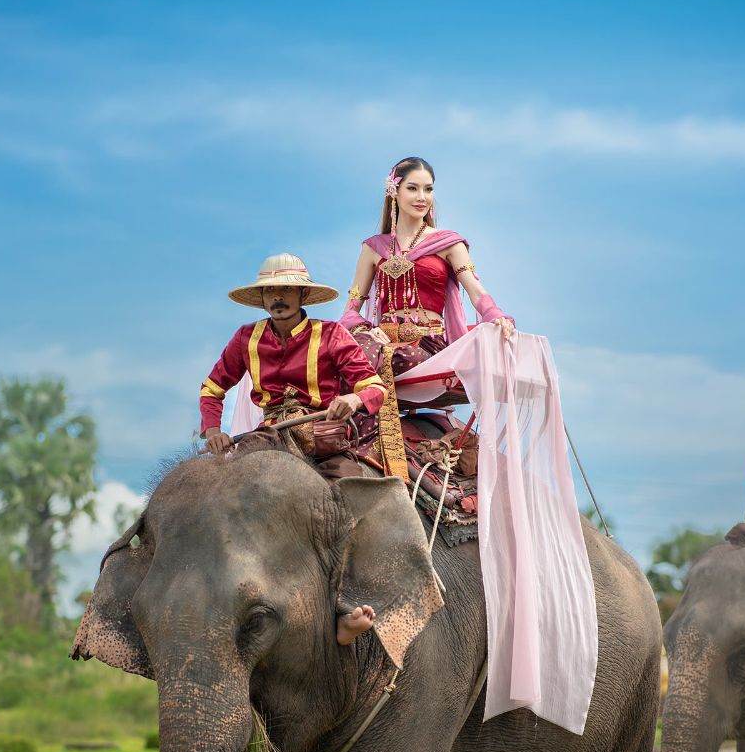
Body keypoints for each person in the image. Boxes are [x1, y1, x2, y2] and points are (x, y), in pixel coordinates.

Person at [199, 252, 385, 642]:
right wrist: (212, 429)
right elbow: (213, 389)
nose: (277, 297)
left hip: (321, 440)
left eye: (285, 289)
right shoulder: (245, 339)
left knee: (350, 500)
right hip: (270, 438)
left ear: (302, 294)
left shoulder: (332, 335)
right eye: (270, 291)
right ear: (262, 298)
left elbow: (373, 387)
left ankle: (345, 605)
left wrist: (351, 401)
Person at [338, 156, 517, 478]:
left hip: (424, 348)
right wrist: (367, 329)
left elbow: (475, 289)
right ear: (394, 192)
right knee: (340, 346)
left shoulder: (448, 243)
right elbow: (351, 310)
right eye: (413, 188)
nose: (422, 197)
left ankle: (362, 427)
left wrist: (496, 315)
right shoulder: (373, 248)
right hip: (378, 343)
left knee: (390, 356)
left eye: (428, 189)